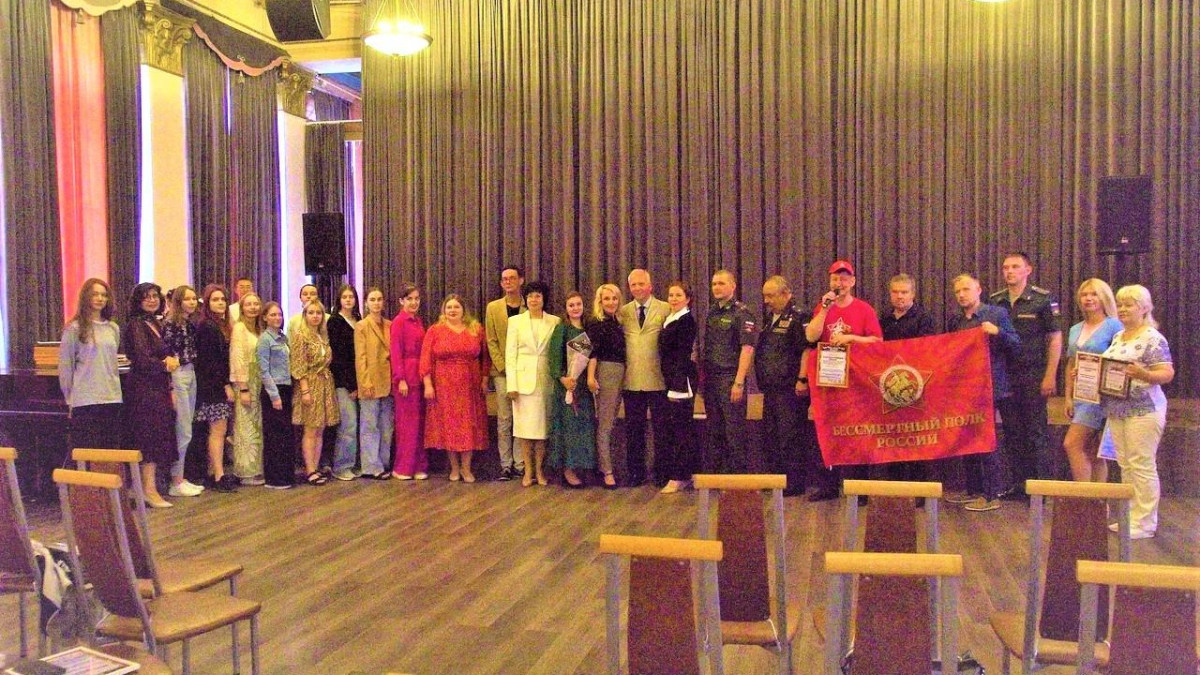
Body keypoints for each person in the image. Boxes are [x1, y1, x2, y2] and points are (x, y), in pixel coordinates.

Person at [804, 260, 883, 500]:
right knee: (827, 431)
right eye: (836, 279)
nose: (840, 283)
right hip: (829, 379)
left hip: (856, 382)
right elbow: (811, 336)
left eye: (844, 279)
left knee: (856, 433)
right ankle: (828, 487)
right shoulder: (822, 307)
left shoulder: (864, 309)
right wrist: (824, 309)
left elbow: (877, 341)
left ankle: (858, 489)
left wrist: (851, 338)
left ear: (853, 282)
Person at [1100, 285, 1173, 539]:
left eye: (1128, 305)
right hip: (1118, 409)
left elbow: (1167, 373)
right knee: (1126, 465)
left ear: (1144, 308)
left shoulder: (1153, 338)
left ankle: (1145, 521)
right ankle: (1129, 517)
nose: (1122, 309)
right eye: (1120, 304)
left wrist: (1144, 374)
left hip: (1144, 409)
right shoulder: (1119, 336)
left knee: (1141, 464)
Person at [987, 252, 1063, 492]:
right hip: (1005, 375)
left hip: (1033, 374)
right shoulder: (996, 300)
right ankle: (1018, 486)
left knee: (1035, 430)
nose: (1009, 271)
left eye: (1015, 267)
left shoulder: (1042, 299)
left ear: (1027, 270)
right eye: (1006, 267)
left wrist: (1050, 374)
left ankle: (1040, 488)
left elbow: (1055, 338)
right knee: (1012, 431)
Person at [948, 274, 1021, 513]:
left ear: (979, 289)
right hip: (965, 388)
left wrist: (997, 332)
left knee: (986, 440)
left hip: (991, 386)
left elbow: (1016, 344)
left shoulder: (996, 314)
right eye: (958, 291)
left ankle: (992, 494)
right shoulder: (956, 320)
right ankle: (973, 490)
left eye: (966, 289)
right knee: (968, 439)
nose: (962, 295)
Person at [755, 275, 815, 497]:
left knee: (790, 436)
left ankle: (794, 483)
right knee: (771, 434)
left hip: (789, 387)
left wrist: (802, 379)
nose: (766, 301)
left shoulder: (799, 316)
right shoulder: (770, 317)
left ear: (786, 294)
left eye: (771, 296)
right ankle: (776, 479)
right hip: (771, 387)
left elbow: (807, 349)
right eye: (765, 296)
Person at [422, 295, 491, 483]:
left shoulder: (476, 329)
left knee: (468, 425)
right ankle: (454, 468)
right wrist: (428, 384)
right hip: (444, 385)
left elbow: (485, 358)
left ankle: (466, 468)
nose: (452, 310)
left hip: (470, 385)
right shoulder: (435, 330)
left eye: (456, 307)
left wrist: (485, 380)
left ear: (463, 310)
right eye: (449, 307)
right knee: (449, 426)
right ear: (444, 310)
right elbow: (426, 358)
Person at [122, 283, 179, 508]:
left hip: (157, 387)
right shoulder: (136, 324)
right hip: (144, 390)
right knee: (149, 439)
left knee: (157, 437)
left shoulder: (153, 322)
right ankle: (148, 490)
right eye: (146, 297)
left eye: (155, 296)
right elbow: (143, 359)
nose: (152, 300)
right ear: (138, 300)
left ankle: (147, 488)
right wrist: (165, 364)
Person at [878, 273, 937, 483]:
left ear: (913, 294)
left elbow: (926, 349)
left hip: (916, 385)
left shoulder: (924, 318)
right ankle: (896, 487)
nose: (900, 296)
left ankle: (919, 488)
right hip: (889, 387)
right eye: (895, 292)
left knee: (916, 437)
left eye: (904, 292)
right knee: (893, 436)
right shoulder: (883, 319)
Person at [1062, 279, 1122, 482]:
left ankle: (1083, 496)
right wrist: (1068, 397)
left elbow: (1121, 362)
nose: (1088, 298)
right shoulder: (1075, 328)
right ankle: (1097, 498)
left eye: (1093, 294)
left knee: (1072, 444)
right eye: (1084, 294)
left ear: (1104, 297)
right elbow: (1071, 363)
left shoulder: (1114, 326)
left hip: (1101, 396)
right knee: (1093, 450)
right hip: (1081, 394)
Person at [701, 270, 759, 474]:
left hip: (730, 379)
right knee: (714, 430)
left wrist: (739, 382)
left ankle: (737, 481)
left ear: (733, 286)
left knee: (734, 432)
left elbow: (747, 349)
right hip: (711, 379)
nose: (716, 287)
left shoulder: (742, 313)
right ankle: (718, 479)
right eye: (714, 284)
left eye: (721, 283)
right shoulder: (712, 312)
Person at [617, 269, 671, 487]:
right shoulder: (623, 312)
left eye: (641, 284)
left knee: (662, 430)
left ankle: (662, 473)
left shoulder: (665, 308)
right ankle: (635, 473)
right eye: (633, 285)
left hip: (659, 380)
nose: (638, 288)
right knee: (634, 430)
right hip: (632, 381)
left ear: (650, 285)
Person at [58, 278, 124, 451]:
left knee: (109, 451)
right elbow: (66, 366)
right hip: (85, 399)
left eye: (104, 295)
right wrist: (69, 399)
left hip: (111, 396)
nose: (100, 298)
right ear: (86, 297)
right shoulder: (74, 328)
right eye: (95, 294)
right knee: (86, 452)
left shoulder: (113, 328)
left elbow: (111, 362)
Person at [506, 281, 560, 487]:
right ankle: (527, 471)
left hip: (546, 383)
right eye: (529, 296)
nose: (533, 300)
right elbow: (510, 355)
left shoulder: (554, 321)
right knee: (525, 430)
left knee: (542, 431)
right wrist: (512, 385)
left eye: (537, 296)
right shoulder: (515, 322)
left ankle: (540, 470)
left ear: (544, 299)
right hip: (522, 384)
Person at [547, 291, 596, 488]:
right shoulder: (562, 329)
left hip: (582, 387)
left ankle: (581, 467)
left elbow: (592, 356)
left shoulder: (588, 329)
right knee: (568, 428)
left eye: (578, 304)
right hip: (566, 387)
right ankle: (567, 469)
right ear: (566, 309)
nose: (575, 308)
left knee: (582, 427)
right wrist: (563, 379)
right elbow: (554, 358)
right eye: (571, 305)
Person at [193, 284, 237, 492]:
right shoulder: (207, 327)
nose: (220, 303)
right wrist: (225, 384)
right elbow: (211, 362)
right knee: (218, 430)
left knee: (218, 430)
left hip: (216, 383)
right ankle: (218, 475)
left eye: (223, 299)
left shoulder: (220, 325)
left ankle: (215, 471)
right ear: (207, 303)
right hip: (213, 386)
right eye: (215, 299)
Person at [656, 281, 700, 494]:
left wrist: (677, 386)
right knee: (677, 428)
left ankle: (679, 477)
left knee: (681, 430)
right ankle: (685, 473)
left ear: (687, 299)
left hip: (681, 382)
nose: (673, 298)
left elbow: (683, 356)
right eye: (671, 295)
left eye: (678, 295)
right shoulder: (671, 318)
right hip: (671, 379)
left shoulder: (686, 321)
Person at [290, 300, 340, 486]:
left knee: (320, 428)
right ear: (305, 315)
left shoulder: (322, 335)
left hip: (324, 383)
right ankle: (309, 469)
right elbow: (298, 365)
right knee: (310, 428)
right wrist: (305, 390)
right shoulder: (300, 335)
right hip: (309, 384)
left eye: (318, 313)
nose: (315, 316)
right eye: (311, 312)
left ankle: (316, 467)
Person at [484, 265, 526, 480]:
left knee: (521, 417)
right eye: (504, 279)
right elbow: (491, 340)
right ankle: (505, 464)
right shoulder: (493, 308)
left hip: (524, 372)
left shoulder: (529, 306)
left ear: (521, 280)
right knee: (504, 418)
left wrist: (519, 368)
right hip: (502, 372)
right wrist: (503, 367)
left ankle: (520, 463)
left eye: (512, 278)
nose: (508, 282)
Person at [162, 285, 204, 498]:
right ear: (178, 301)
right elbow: (166, 353)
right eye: (187, 299)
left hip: (190, 371)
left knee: (187, 428)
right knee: (183, 429)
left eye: (194, 298)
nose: (192, 302)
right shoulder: (170, 324)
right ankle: (175, 480)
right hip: (177, 373)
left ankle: (180, 476)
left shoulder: (189, 323)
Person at [586, 283, 625, 488]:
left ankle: (607, 466)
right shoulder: (596, 322)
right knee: (605, 423)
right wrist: (591, 377)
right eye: (606, 299)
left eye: (614, 298)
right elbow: (591, 353)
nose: (611, 302)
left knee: (611, 422)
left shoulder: (618, 321)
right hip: (606, 372)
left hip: (621, 371)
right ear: (600, 301)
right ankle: (606, 471)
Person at [355, 287, 394, 481]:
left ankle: (383, 463)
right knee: (370, 426)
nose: (376, 303)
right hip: (370, 381)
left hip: (388, 381)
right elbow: (360, 357)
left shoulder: (390, 325)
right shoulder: (361, 326)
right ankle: (371, 466)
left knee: (386, 427)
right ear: (366, 303)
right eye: (372, 299)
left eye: (379, 299)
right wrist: (365, 382)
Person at [390, 282, 428, 480]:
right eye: (409, 299)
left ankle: (418, 466)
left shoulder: (418, 321)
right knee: (407, 425)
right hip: (406, 378)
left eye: (416, 299)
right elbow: (395, 352)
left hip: (419, 377)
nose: (414, 302)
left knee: (419, 424)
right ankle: (403, 468)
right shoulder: (398, 322)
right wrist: (400, 379)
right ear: (401, 301)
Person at [256, 301, 295, 489]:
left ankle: (286, 475)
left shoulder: (283, 337)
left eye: (279, 314)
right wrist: (274, 396)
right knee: (274, 436)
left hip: (286, 387)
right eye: (272, 315)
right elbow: (264, 370)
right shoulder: (265, 339)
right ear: (264, 317)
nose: (277, 318)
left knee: (285, 435)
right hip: (274, 390)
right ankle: (274, 478)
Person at [229, 292, 265, 485]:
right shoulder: (239, 328)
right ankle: (245, 471)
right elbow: (238, 358)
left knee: (256, 425)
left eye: (256, 304)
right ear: (242, 308)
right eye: (248, 304)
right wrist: (243, 388)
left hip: (259, 380)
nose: (252, 308)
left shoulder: (259, 328)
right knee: (245, 426)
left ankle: (256, 468)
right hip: (246, 380)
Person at [328, 285, 361, 481]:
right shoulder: (335, 322)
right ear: (339, 300)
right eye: (345, 297)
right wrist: (350, 385)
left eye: (351, 297)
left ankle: (354, 463)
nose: (348, 300)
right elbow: (339, 357)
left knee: (357, 425)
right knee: (348, 425)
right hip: (343, 382)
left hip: (360, 380)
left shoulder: (358, 320)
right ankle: (341, 466)